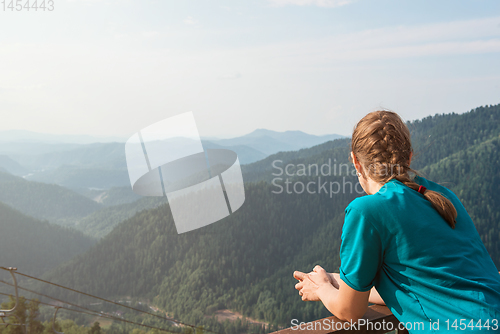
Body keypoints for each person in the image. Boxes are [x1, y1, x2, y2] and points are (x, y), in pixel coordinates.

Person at [293, 110, 500, 332]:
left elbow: (350, 310)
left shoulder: (366, 212)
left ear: (355, 161)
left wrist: (323, 288)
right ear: (409, 157)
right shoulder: (443, 197)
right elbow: (424, 285)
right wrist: (339, 281)